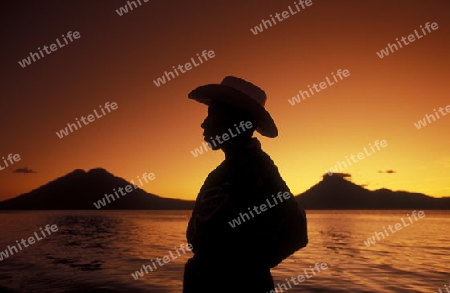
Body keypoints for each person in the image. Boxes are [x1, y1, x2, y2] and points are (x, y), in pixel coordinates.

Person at [183, 76, 308, 293]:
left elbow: (296, 229)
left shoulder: (258, 168)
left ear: (235, 119)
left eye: (212, 114)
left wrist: (243, 272)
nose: (204, 123)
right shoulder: (220, 173)